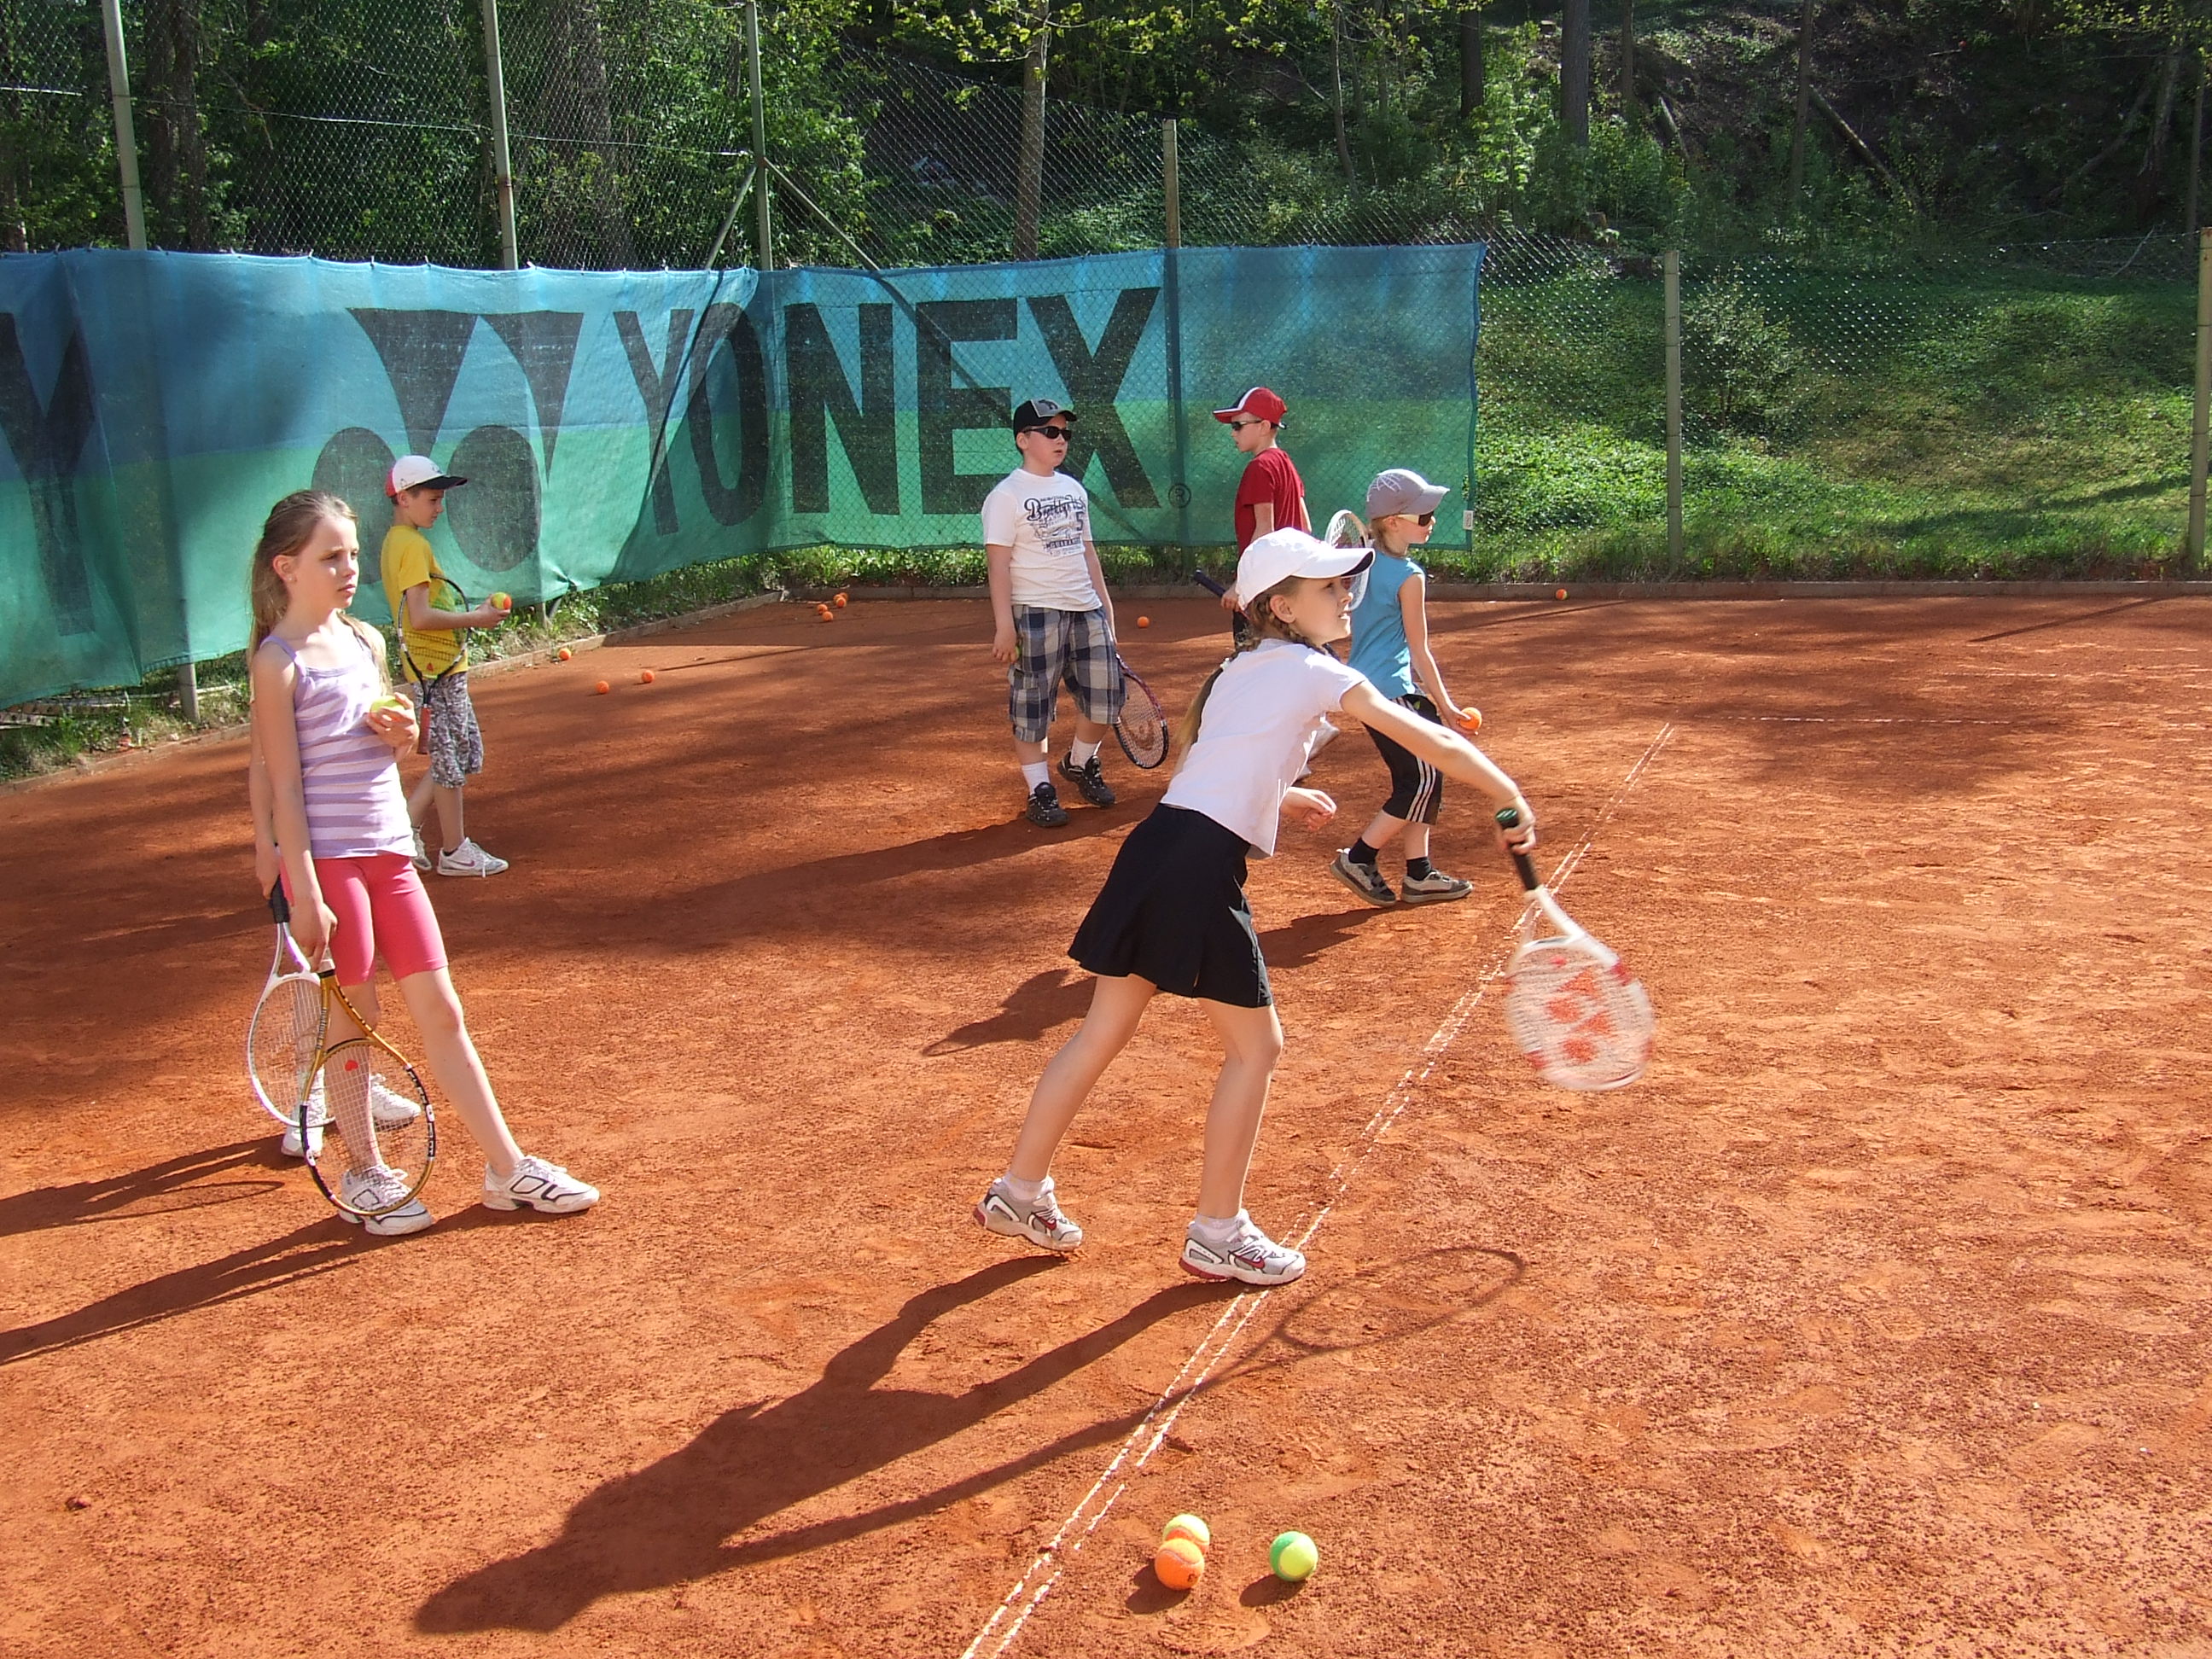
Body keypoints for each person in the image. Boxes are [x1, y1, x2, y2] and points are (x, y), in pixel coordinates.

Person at [973, 527, 1536, 1286]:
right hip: (1200, 869)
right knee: (1256, 1049)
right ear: (1283, 607)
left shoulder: (1240, 668)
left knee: (1102, 1031)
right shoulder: (1315, 671)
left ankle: (1018, 1191)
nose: (1345, 596)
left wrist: (1282, 793)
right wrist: (1507, 791)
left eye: (1344, 583)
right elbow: (1428, 739)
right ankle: (1218, 1233)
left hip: (1156, 849)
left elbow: (1215, 762)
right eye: (1329, 586)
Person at [247, 489, 597, 1237]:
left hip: (393, 857)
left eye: (351, 554)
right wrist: (303, 890)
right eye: (330, 557)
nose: (349, 569)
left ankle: (507, 1169)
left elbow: (393, 744)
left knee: (442, 1010)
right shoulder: (276, 662)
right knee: (356, 1022)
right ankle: (367, 1172)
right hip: (332, 864)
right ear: (286, 568)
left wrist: (400, 729)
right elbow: (285, 788)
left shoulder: (367, 641)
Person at [1330, 469, 1481, 907]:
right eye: (1424, 516)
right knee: (1420, 779)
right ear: (1394, 522)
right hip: (1394, 691)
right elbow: (1420, 650)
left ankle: (1419, 873)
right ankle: (1359, 857)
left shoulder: (1359, 565)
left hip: (1366, 688)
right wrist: (1446, 706)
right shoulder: (1408, 575)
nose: (1432, 522)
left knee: (1423, 775)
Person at [982, 398, 1124, 828]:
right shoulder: (1005, 496)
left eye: (1065, 432)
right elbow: (998, 565)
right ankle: (1040, 790)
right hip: (1035, 611)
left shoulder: (1074, 490)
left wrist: (1106, 607)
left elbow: (1088, 553)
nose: (1061, 439)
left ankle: (1079, 763)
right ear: (1023, 440)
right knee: (1033, 708)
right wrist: (1005, 626)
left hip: (1086, 609)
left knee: (1108, 697)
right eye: (1050, 432)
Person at [380, 454, 510, 877]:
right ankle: (454, 851)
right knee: (450, 760)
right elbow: (419, 617)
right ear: (405, 498)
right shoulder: (413, 546)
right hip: (434, 668)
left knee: (458, 752)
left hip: (438, 667)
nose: (439, 507)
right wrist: (477, 618)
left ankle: (405, 828)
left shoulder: (397, 541)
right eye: (432, 499)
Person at [1213, 387, 1308, 647]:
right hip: (1288, 590)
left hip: (1262, 593)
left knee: (1253, 661)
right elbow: (1306, 527)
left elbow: (1264, 531)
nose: (1233, 433)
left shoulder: (1260, 467)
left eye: (1238, 425)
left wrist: (1241, 586)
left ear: (1264, 426)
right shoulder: (1287, 464)